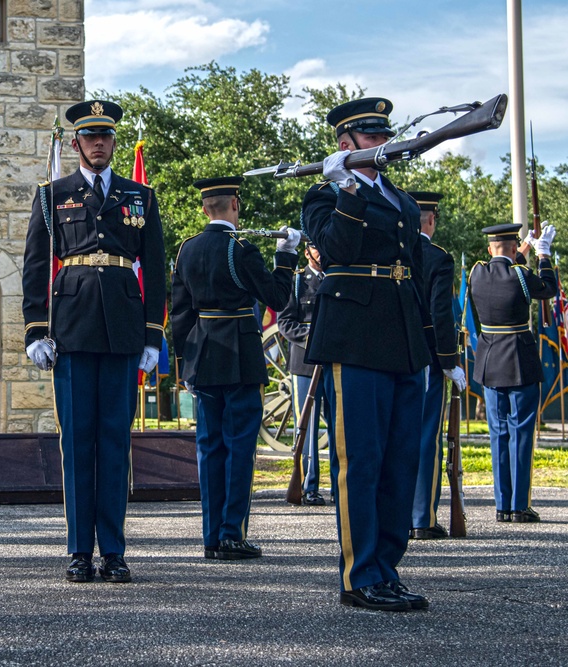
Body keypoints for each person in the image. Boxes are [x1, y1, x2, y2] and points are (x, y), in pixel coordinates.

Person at [21, 100, 165, 583]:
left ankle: (115, 550)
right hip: (73, 329)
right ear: (76, 143)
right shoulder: (51, 195)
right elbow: (36, 266)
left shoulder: (139, 196)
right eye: (90, 136)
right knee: (78, 442)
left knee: (115, 442)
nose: (98, 143)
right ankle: (80, 549)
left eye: (105, 136)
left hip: (124, 329)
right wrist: (36, 330)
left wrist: (152, 335)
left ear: (114, 142)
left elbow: (158, 272)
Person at [302, 97, 434, 612]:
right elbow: (337, 251)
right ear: (345, 144)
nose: (383, 142)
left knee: (401, 460)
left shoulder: (400, 199)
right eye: (371, 135)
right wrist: (348, 192)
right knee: (362, 459)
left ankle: (388, 567)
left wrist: (431, 346)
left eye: (384, 133)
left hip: (401, 338)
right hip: (353, 335)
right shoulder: (324, 193)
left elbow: (416, 270)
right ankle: (360, 576)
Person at [172, 176, 298, 560]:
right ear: (235, 205)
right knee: (240, 445)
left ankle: (212, 536)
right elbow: (277, 297)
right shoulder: (240, 249)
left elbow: (179, 315)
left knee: (210, 447)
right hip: (240, 356)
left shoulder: (186, 250)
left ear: (205, 208)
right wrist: (285, 257)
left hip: (203, 357)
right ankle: (231, 533)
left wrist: (185, 366)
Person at [469, 222, 557, 524]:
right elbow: (549, 289)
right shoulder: (521, 275)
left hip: (489, 362)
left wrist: (526, 247)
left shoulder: (476, 273)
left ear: (490, 247)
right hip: (518, 361)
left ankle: (502, 505)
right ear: (513, 246)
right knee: (521, 433)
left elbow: (506, 263)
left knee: (498, 433)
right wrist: (543, 255)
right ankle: (520, 505)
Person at [407, 192, 466, 539]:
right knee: (427, 436)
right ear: (430, 219)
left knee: (398, 435)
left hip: (392, 358)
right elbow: (440, 313)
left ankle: (398, 514)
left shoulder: (389, 251)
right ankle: (421, 517)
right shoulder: (437, 258)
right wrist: (448, 361)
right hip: (427, 358)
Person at [278, 236, 331, 506]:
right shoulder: (298, 281)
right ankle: (309, 485)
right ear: (307, 250)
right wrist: (313, 335)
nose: (320, 253)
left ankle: (338, 484)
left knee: (336, 426)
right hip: (305, 364)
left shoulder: (335, 278)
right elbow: (285, 322)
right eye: (315, 247)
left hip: (332, 361)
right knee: (307, 427)